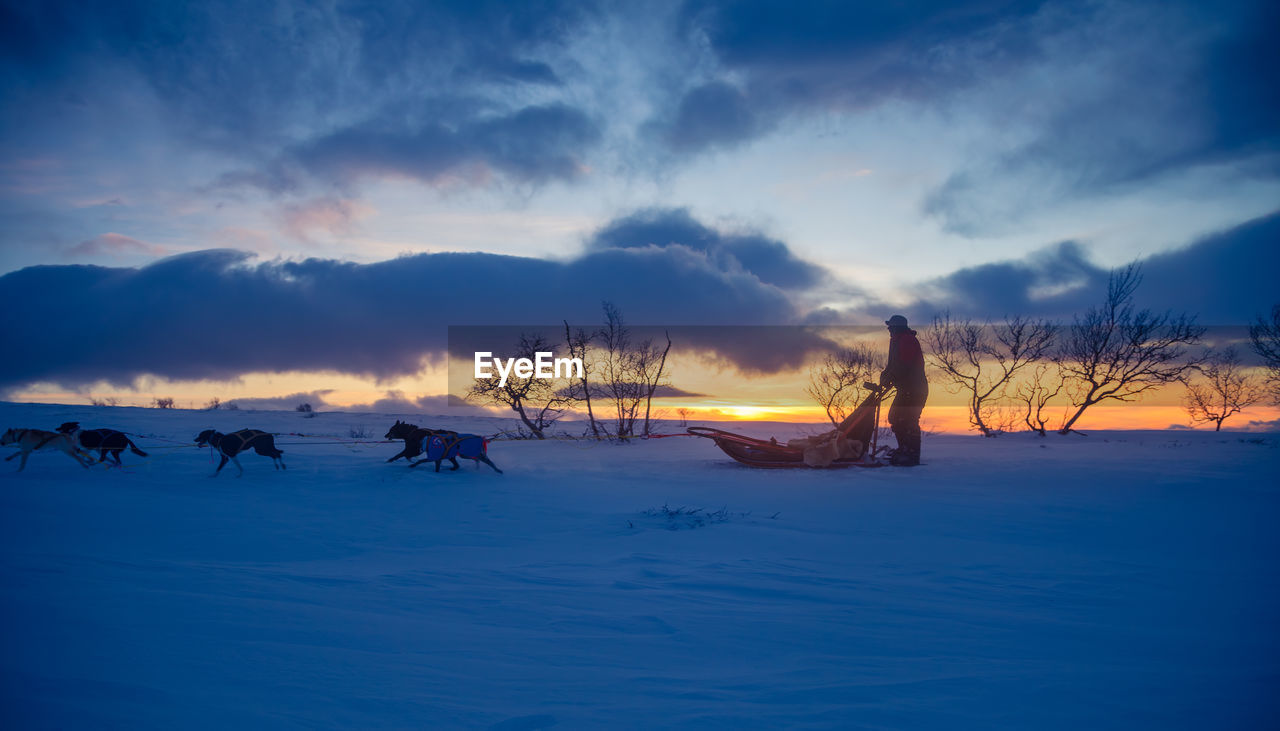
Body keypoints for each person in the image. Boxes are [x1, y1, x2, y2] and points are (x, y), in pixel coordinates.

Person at [879, 314, 928, 466]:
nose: (888, 329)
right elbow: (893, 366)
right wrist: (885, 377)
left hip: (914, 389)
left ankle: (911, 455)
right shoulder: (897, 340)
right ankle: (904, 450)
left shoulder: (906, 340)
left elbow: (904, 365)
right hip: (906, 389)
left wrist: (890, 377)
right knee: (896, 417)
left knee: (908, 420)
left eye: (890, 326)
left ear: (896, 327)